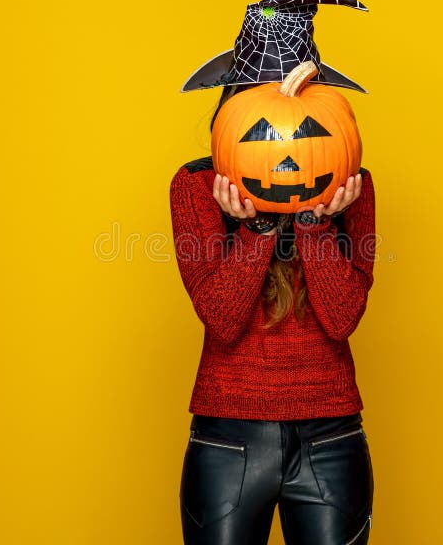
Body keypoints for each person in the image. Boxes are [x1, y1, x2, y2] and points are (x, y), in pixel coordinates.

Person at [170, 76, 377, 544]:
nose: (286, 150)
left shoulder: (351, 185)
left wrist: (315, 222)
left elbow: (342, 319)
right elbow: (221, 319)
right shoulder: (195, 185)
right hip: (228, 442)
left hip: (330, 439)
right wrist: (258, 228)